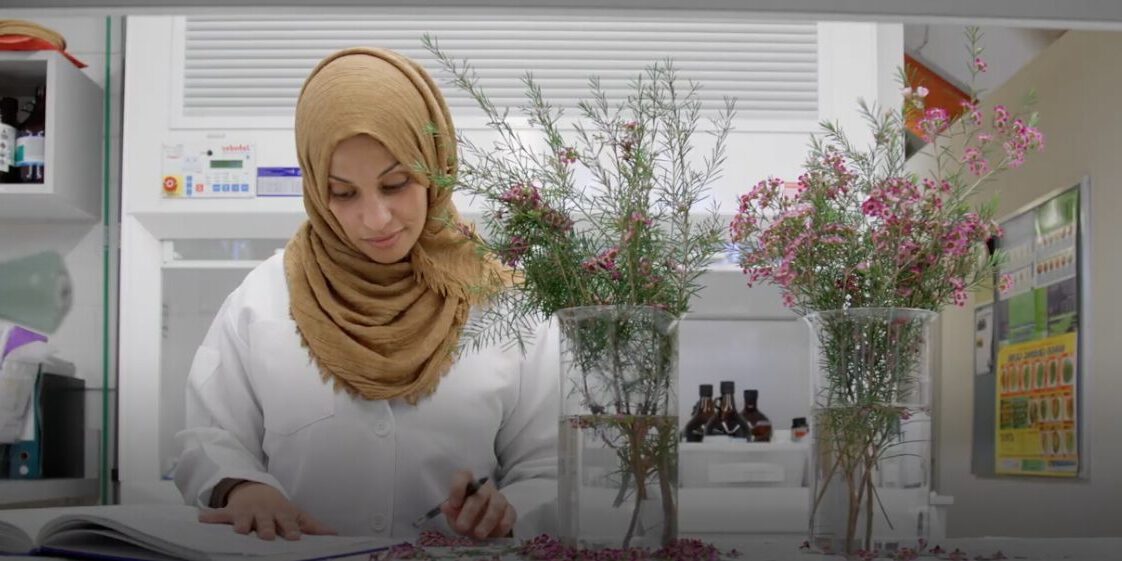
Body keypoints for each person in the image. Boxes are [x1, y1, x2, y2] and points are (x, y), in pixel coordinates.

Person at [173, 47, 558, 542]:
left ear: (435, 168)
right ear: (315, 187)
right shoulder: (263, 300)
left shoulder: (505, 302)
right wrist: (243, 488)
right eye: (343, 192)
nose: (376, 219)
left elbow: (552, 465)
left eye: (396, 183)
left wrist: (509, 510)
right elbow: (211, 438)